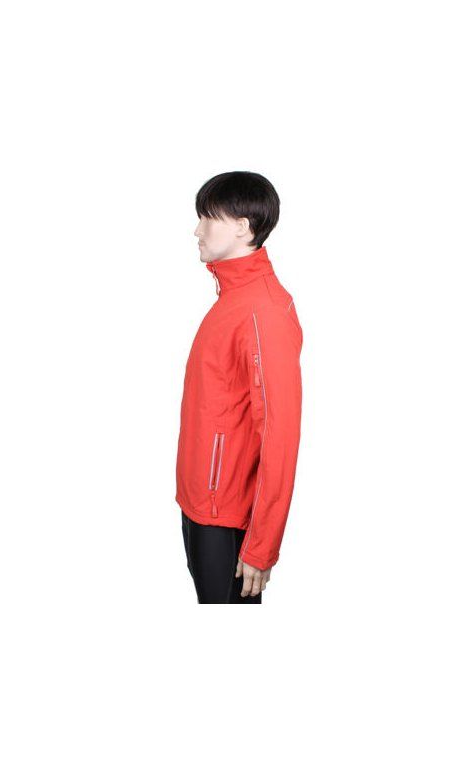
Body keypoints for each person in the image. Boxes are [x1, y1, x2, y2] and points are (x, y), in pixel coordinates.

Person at [176, 171, 304, 604]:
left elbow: (280, 436)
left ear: (242, 228)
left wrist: (261, 545)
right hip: (202, 504)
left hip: (226, 517)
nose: (197, 230)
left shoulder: (262, 310)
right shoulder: (232, 301)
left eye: (207, 218)